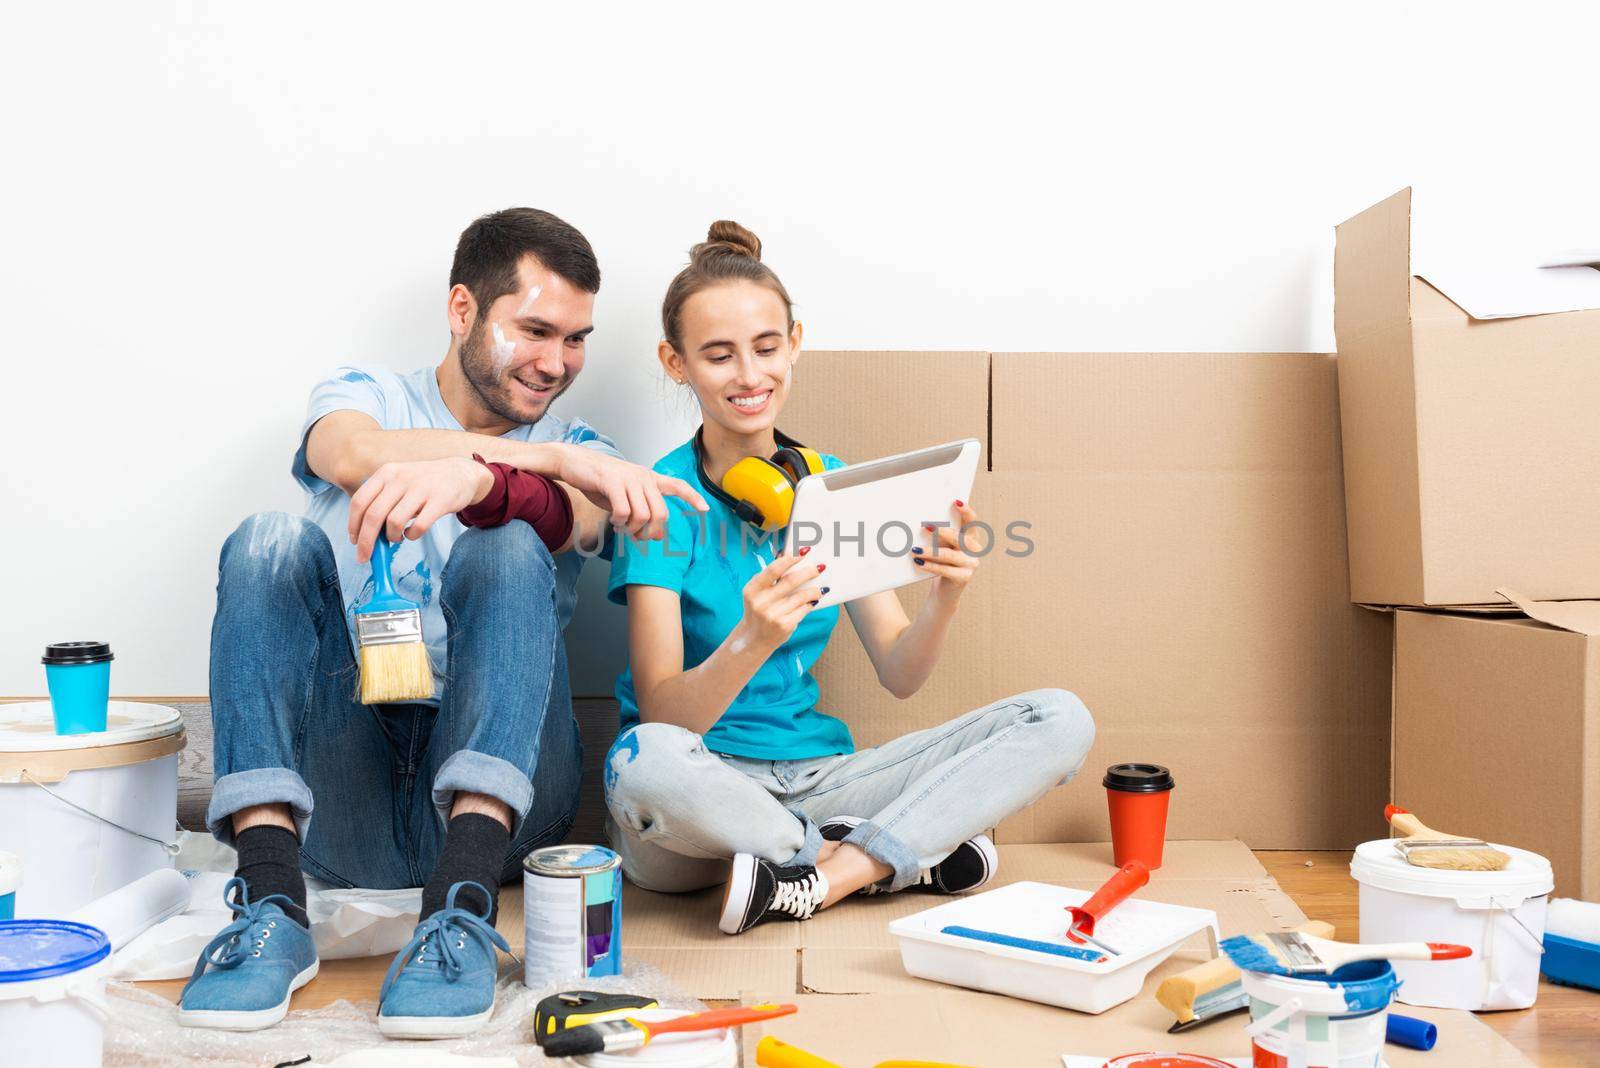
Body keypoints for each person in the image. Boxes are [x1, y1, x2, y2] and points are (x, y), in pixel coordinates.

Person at [178, 208, 707, 1037]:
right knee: (265, 542)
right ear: (464, 310)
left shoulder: (585, 446)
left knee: (506, 548)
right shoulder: (367, 395)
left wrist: (495, 482)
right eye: (534, 329)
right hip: (344, 787)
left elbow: (585, 521)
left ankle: (461, 911)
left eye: (575, 339)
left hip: (503, 806)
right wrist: (530, 455)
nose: (555, 362)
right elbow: (350, 456)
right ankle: (271, 907)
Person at [603, 221, 1096, 935]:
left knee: (1057, 718)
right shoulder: (658, 502)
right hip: (699, 801)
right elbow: (664, 720)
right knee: (641, 759)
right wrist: (749, 639)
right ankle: (893, 854)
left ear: (795, 344)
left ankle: (822, 877)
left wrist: (946, 597)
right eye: (718, 356)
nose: (750, 376)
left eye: (768, 349)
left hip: (819, 779)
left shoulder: (833, 487)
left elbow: (900, 671)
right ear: (675, 363)